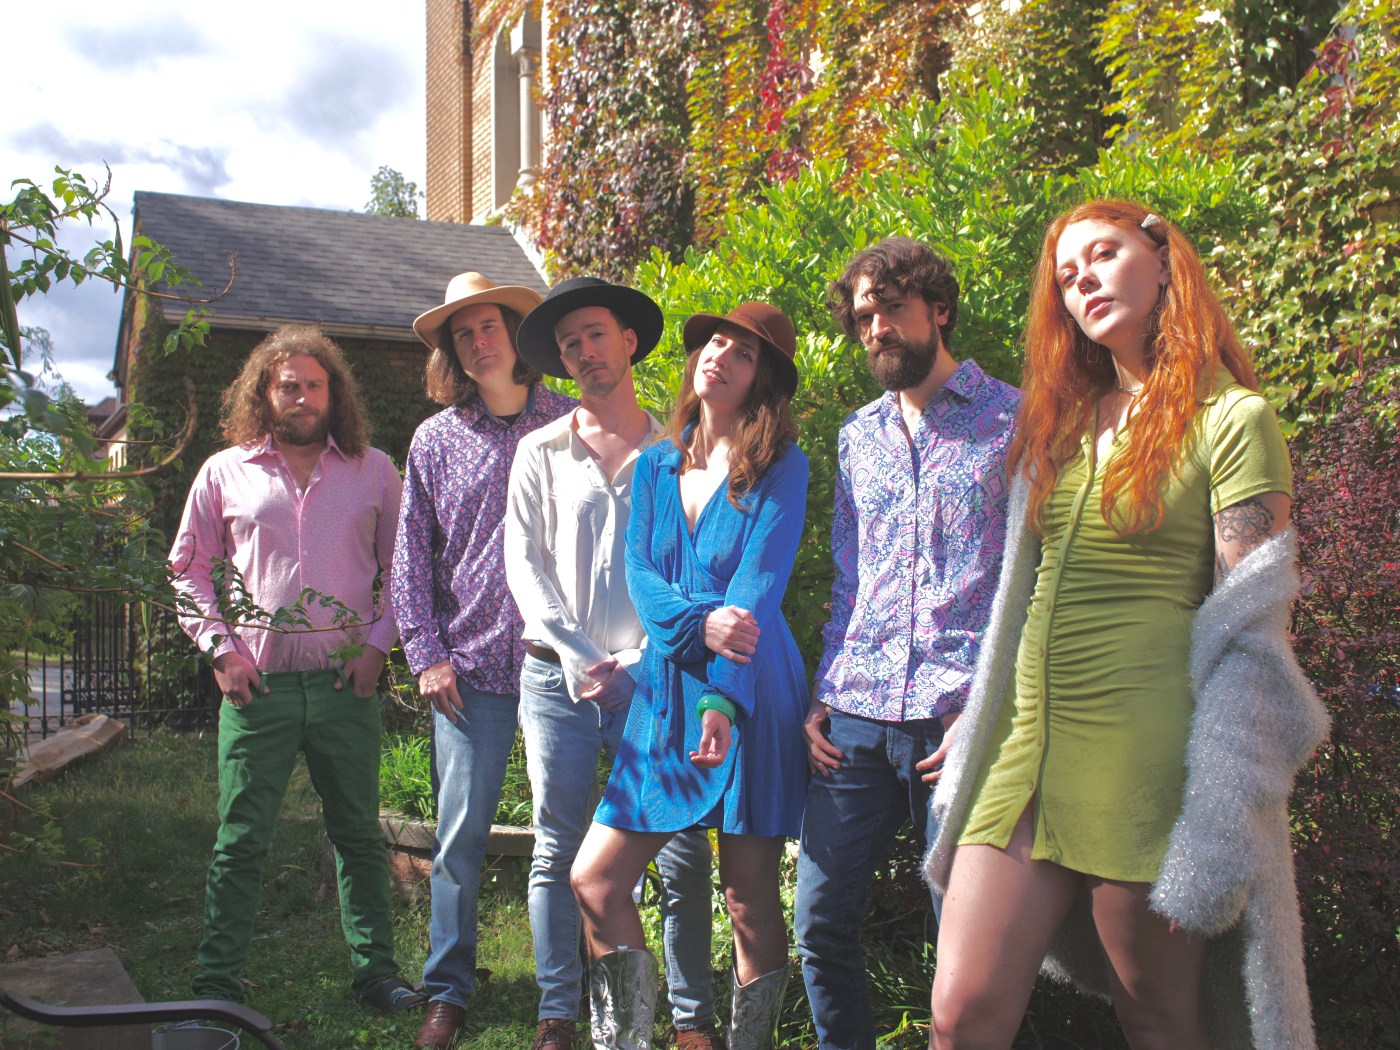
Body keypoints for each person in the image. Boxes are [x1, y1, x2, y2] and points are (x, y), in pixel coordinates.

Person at [924, 200, 1329, 1050]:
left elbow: (1252, 630)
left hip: (1145, 763)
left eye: (1103, 256)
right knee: (959, 1018)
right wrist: (980, 716)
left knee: (1158, 1020)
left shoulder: (1232, 419)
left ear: (1162, 260)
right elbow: (1018, 602)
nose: (1085, 283)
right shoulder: (1063, 425)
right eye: (1068, 278)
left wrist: (1223, 812)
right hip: (1023, 756)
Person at [796, 237, 1020, 1050]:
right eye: (864, 318)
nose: (876, 329)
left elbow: (1030, 580)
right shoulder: (858, 435)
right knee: (818, 922)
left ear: (940, 310)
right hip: (856, 716)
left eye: (892, 309)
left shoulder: (1015, 420)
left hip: (956, 719)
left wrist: (989, 706)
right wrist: (825, 690)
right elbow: (852, 575)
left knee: (962, 947)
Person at [572, 303, 810, 1050]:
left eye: (743, 352)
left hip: (750, 686)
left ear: (763, 378)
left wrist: (722, 700)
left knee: (747, 900)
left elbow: (756, 593)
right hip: (665, 690)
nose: (720, 356)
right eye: (715, 342)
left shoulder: (783, 467)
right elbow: (640, 574)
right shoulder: (655, 463)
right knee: (595, 880)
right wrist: (696, 627)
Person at [169, 325, 419, 1011]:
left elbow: (403, 569)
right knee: (240, 841)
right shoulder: (224, 472)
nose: (302, 396)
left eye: (314, 384)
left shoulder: (374, 470)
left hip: (346, 687)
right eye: (288, 386)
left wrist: (378, 648)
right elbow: (188, 569)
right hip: (258, 692)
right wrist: (221, 651)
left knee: (358, 836)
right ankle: (216, 986)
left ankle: (377, 976)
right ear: (264, 392)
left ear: (334, 394)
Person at [504, 277, 718, 1050]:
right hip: (555, 679)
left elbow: (690, 574)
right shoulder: (538, 451)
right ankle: (562, 1012)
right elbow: (524, 564)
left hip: (655, 684)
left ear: (628, 342)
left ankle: (691, 1019)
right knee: (557, 848)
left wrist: (638, 658)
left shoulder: (677, 455)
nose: (584, 351)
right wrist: (582, 654)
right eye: (570, 345)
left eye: (595, 334)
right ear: (562, 363)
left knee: (682, 850)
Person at [393, 273, 577, 1050]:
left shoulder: (570, 422)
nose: (478, 342)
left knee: (563, 838)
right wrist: (427, 656)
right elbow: (410, 558)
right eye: (462, 334)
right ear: (452, 352)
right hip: (469, 672)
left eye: (489, 326)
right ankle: (447, 992)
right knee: (460, 839)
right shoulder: (435, 441)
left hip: (559, 666)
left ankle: (561, 1002)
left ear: (516, 333)